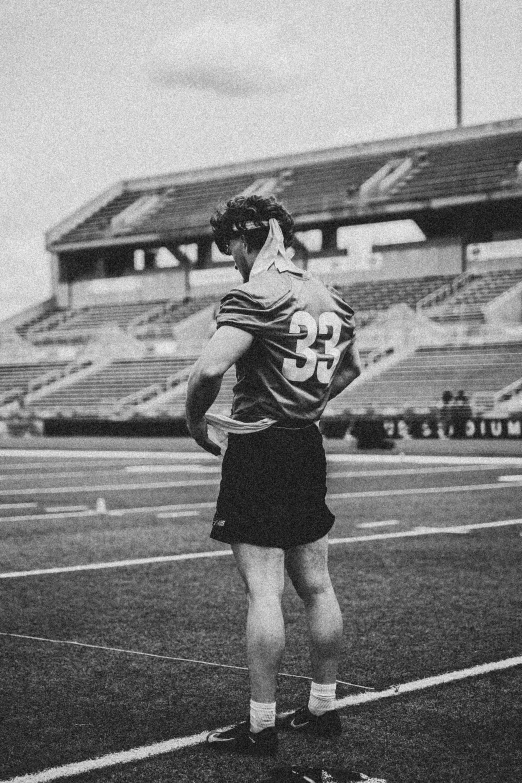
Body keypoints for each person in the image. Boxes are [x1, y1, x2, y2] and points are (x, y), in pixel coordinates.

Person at [185, 194, 361, 756]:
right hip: (306, 444)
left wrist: (195, 423)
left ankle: (261, 726)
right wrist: (306, 405)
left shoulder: (254, 292)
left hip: (259, 447)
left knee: (264, 591)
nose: (228, 257)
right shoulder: (329, 292)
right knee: (317, 584)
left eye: (227, 244)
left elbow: (210, 366)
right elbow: (350, 367)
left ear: (244, 236)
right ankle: (323, 709)